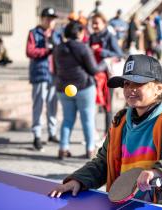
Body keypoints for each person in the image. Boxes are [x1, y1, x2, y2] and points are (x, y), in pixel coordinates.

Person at [49, 54, 162, 209]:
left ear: (158, 88)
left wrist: (160, 171)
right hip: (128, 203)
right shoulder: (120, 122)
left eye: (138, 83)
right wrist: (78, 180)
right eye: (126, 83)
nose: (130, 89)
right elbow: (104, 162)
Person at [53, 21, 106, 160]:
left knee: (67, 119)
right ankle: (90, 149)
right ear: (79, 33)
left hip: (63, 88)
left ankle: (63, 149)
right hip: (83, 87)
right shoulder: (83, 48)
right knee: (88, 119)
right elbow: (93, 69)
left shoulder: (58, 48)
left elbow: (55, 69)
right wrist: (105, 63)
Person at [26, 7, 62, 151]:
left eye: (52, 18)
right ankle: (37, 135)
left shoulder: (57, 34)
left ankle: (52, 133)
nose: (50, 21)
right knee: (38, 105)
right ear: (41, 19)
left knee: (52, 105)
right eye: (48, 18)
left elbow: (61, 49)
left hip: (55, 74)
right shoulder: (33, 33)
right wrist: (46, 50)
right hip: (40, 74)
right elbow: (29, 51)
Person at [89, 12, 123, 135]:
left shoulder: (110, 36)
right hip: (94, 75)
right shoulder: (92, 37)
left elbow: (119, 54)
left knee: (107, 106)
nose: (94, 25)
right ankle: (92, 133)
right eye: (93, 23)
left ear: (104, 23)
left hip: (107, 76)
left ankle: (107, 134)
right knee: (91, 106)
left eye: (97, 23)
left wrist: (100, 50)